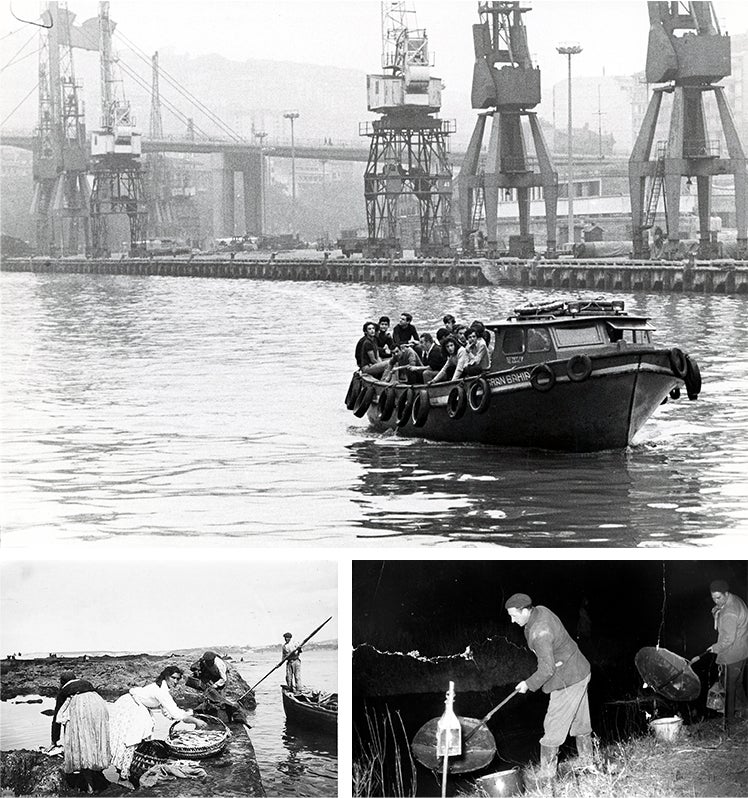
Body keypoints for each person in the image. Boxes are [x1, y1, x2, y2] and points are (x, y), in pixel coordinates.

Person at [506, 593, 593, 781]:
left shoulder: (540, 632)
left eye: (514, 615)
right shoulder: (540, 610)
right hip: (579, 669)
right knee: (581, 722)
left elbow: (546, 670)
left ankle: (546, 775)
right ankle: (587, 762)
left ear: (525, 611)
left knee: (553, 725)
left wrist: (527, 684)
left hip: (568, 679)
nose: (512, 621)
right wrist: (557, 659)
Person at [109, 666, 206, 783]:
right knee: (131, 738)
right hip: (130, 707)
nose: (175, 682)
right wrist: (195, 721)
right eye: (173, 678)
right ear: (166, 677)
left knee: (137, 737)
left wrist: (188, 715)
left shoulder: (162, 688)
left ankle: (129, 769)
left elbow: (168, 713)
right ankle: (124, 774)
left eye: (177, 679)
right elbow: (175, 713)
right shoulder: (160, 690)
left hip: (136, 705)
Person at [692, 579, 748, 732]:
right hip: (742, 651)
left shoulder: (729, 612)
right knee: (737, 684)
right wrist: (718, 609)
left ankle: (728, 725)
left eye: (719, 598)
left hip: (732, 655)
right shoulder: (734, 600)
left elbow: (728, 639)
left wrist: (715, 647)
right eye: (713, 598)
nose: (716, 601)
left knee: (728, 690)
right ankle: (745, 712)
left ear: (726, 593)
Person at [48, 671, 111, 794]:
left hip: (80, 708)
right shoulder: (86, 684)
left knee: (81, 744)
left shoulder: (64, 690)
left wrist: (54, 740)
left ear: (62, 682)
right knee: (94, 740)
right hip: (98, 705)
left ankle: (89, 787)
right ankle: (96, 774)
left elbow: (57, 717)